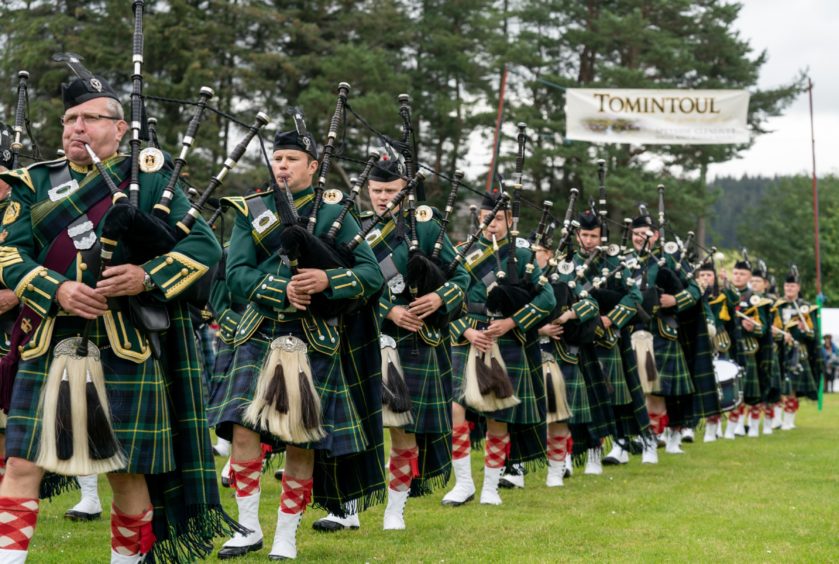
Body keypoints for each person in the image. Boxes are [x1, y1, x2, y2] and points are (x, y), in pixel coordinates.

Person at [0, 67, 224, 563]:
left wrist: (147, 277)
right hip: (49, 341)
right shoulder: (34, 183)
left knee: (128, 473)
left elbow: (205, 247)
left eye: (90, 118)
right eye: (69, 119)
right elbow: (7, 255)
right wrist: (56, 288)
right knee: (21, 463)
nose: (76, 127)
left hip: (124, 343)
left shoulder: (150, 180)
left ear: (119, 129)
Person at [209, 124, 385, 559]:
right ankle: (247, 527)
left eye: (292, 160)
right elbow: (236, 273)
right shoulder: (252, 208)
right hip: (259, 330)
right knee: (243, 427)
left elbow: (370, 276)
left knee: (301, 437)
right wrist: (280, 289)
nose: (283, 166)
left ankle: (286, 535)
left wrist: (328, 278)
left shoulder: (337, 212)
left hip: (315, 336)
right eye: (278, 159)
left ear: (312, 166)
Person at [314, 157, 467, 530]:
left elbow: (462, 278)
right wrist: (388, 310)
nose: (384, 198)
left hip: (414, 343)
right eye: (377, 191)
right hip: (362, 338)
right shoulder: (354, 230)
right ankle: (345, 509)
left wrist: (440, 298)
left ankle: (394, 509)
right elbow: (348, 279)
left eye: (392, 191)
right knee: (352, 425)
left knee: (403, 429)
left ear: (406, 191)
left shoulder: (426, 230)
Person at [441, 191, 555, 507]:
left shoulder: (525, 256)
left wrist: (512, 323)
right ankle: (463, 482)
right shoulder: (462, 254)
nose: (493, 225)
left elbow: (548, 300)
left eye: (500, 219)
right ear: (480, 218)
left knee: (497, 415)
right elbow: (447, 299)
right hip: (470, 336)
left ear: (510, 221)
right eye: (488, 218)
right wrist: (463, 330)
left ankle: (490, 486)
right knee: (455, 408)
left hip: (504, 338)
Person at [772, 265, 821, 429]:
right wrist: (781, 336)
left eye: (792, 286)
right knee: (779, 385)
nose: (789, 288)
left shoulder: (806, 307)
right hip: (780, 351)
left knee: (793, 388)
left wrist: (802, 331)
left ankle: (789, 421)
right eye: (786, 286)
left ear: (798, 288)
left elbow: (813, 334)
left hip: (799, 352)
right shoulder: (777, 306)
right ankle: (777, 420)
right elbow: (771, 329)